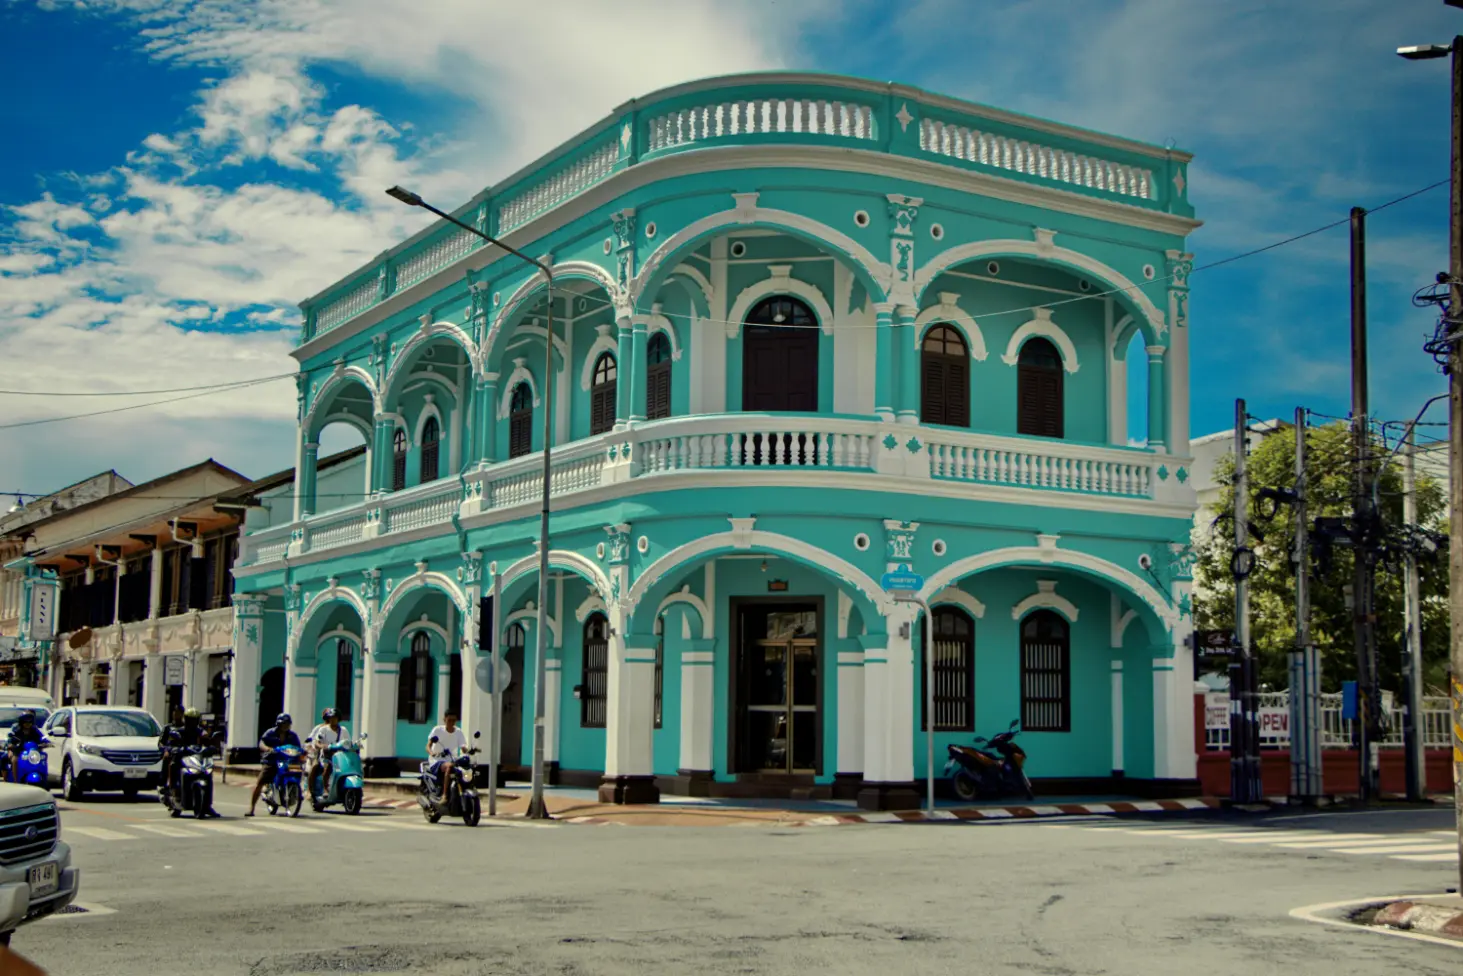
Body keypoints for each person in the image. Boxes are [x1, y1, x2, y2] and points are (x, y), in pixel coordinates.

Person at [158, 708, 218, 817]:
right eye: (190, 720)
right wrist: (173, 749)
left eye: (195, 720)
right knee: (173, 764)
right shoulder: (178, 731)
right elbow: (170, 743)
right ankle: (174, 794)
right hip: (182, 757)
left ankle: (208, 805)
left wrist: (212, 747)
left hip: (196, 758)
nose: (192, 723)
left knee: (208, 773)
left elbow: (207, 741)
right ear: (185, 719)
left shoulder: (200, 731)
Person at [247, 713, 302, 817]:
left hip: (287, 761)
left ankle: (295, 793)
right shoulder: (270, 733)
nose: (286, 726)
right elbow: (262, 743)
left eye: (288, 724)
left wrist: (302, 752)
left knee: (297, 772)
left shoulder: (292, 736)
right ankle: (251, 808)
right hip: (271, 760)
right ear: (279, 724)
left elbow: (298, 747)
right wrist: (268, 749)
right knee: (260, 782)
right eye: (284, 724)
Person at [306, 708, 352, 798]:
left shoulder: (344, 730)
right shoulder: (323, 729)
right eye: (331, 718)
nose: (333, 719)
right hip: (326, 755)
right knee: (325, 767)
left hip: (341, 756)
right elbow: (317, 742)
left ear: (338, 718)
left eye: (335, 717)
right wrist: (322, 746)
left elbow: (349, 742)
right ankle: (324, 789)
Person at [424, 710, 468, 801]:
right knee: (449, 767)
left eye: (454, 721)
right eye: (449, 720)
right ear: (444, 720)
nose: (451, 723)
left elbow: (463, 747)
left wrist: (470, 751)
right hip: (437, 760)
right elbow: (428, 746)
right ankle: (445, 795)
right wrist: (432, 753)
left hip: (452, 759)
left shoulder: (458, 732)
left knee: (466, 766)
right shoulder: (437, 730)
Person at [5, 711, 46, 784]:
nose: (28, 724)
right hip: (20, 751)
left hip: (33, 752)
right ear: (22, 722)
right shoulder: (17, 731)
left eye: (30, 722)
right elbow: (11, 740)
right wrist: (12, 745)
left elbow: (42, 738)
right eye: (25, 722)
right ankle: (15, 780)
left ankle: (43, 778)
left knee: (43, 757)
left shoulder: (35, 731)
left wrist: (46, 743)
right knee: (15, 760)